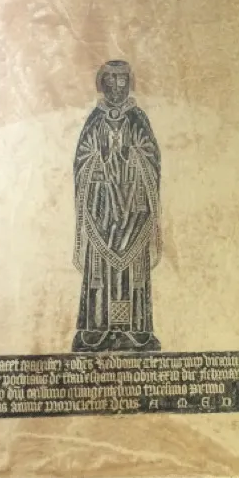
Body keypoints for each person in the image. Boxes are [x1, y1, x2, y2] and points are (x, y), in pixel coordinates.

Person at [72, 60, 162, 352]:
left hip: (134, 206)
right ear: (102, 84)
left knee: (133, 270)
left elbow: (151, 157)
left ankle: (136, 329)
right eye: (109, 81)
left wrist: (134, 157)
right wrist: (96, 162)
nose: (115, 87)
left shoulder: (138, 119)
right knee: (99, 268)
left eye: (121, 80)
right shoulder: (95, 120)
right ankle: (96, 329)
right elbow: (82, 159)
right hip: (102, 206)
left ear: (128, 83)